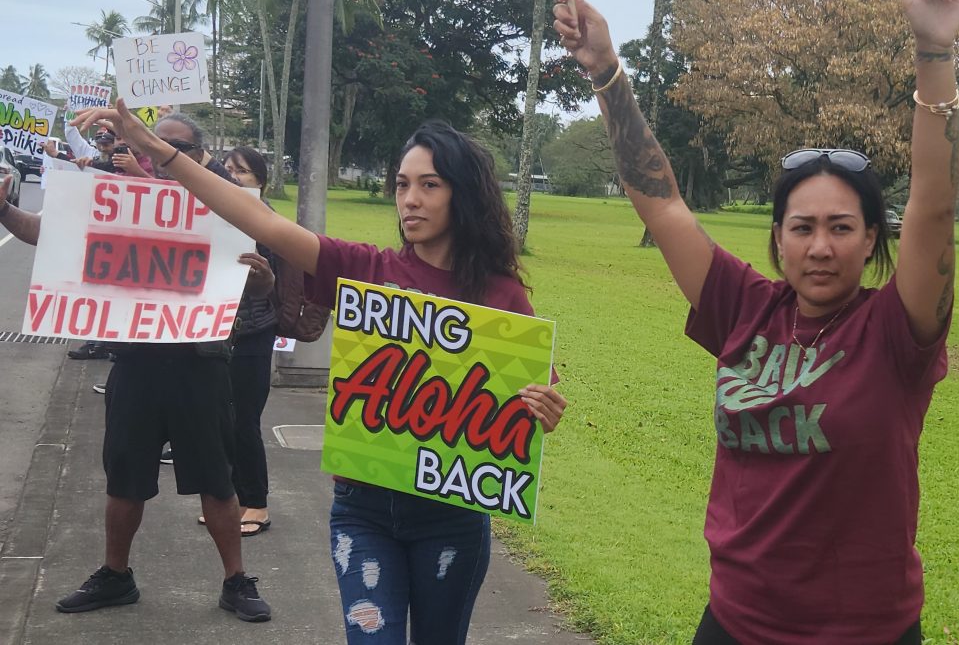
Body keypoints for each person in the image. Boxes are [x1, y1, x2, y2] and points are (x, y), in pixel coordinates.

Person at [552, 0, 959, 645]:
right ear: (778, 238)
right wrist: (605, 69)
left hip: (866, 631)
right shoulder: (743, 306)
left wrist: (934, 51)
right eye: (802, 227)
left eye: (842, 227)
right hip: (737, 621)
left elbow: (934, 205)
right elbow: (662, 203)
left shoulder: (897, 329)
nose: (820, 246)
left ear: (872, 239)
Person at [67, 111, 567, 645]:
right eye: (402, 185)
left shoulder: (499, 295)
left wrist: (543, 409)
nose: (410, 200)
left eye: (429, 185)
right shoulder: (367, 271)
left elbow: (528, 408)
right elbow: (259, 220)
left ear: (462, 194)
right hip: (363, 512)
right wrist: (156, 149)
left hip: (452, 518)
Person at [0, 111, 273, 623]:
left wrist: (261, 280)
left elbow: (258, 281)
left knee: (217, 480)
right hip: (137, 363)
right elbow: (46, 232)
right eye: (149, 143)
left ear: (198, 154)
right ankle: (116, 575)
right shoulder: (115, 193)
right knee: (125, 477)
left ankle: (236, 580)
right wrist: (4, 208)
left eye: (176, 147)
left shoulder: (223, 200)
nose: (159, 152)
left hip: (200, 367)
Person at [197, 146, 277, 537]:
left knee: (245, 420)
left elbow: (266, 279)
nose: (232, 176)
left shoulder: (262, 217)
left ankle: (257, 503)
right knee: (220, 422)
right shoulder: (215, 213)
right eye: (227, 168)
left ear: (261, 181)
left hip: (252, 333)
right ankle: (232, 502)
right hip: (217, 331)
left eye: (241, 171)